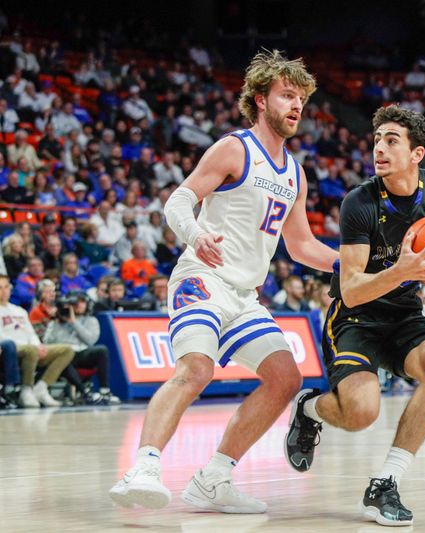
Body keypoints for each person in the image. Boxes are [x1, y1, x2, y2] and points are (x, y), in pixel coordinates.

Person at [109, 49, 338, 513]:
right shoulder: (235, 148)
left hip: (245, 294)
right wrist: (196, 234)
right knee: (196, 369)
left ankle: (213, 478)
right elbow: (177, 201)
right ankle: (144, 467)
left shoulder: (295, 172)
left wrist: (357, 268)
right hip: (202, 276)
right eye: (286, 95)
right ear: (259, 100)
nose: (296, 106)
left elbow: (301, 246)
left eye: (301, 99)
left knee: (285, 378)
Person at [284, 105, 425, 526]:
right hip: (355, 318)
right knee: (361, 414)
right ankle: (309, 410)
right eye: (377, 139)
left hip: (405, 313)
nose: (379, 147)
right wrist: (404, 270)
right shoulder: (359, 202)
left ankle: (386, 482)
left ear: (417, 154)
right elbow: (353, 290)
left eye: (391, 140)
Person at [0, 275, 74, 408]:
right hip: (11, 349)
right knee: (31, 350)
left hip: (30, 348)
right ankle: (26, 390)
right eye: (0, 288)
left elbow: (31, 333)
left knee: (67, 350)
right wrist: (30, 347)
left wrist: (38, 345)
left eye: (6, 287)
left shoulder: (20, 311)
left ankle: (42, 387)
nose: (4, 291)